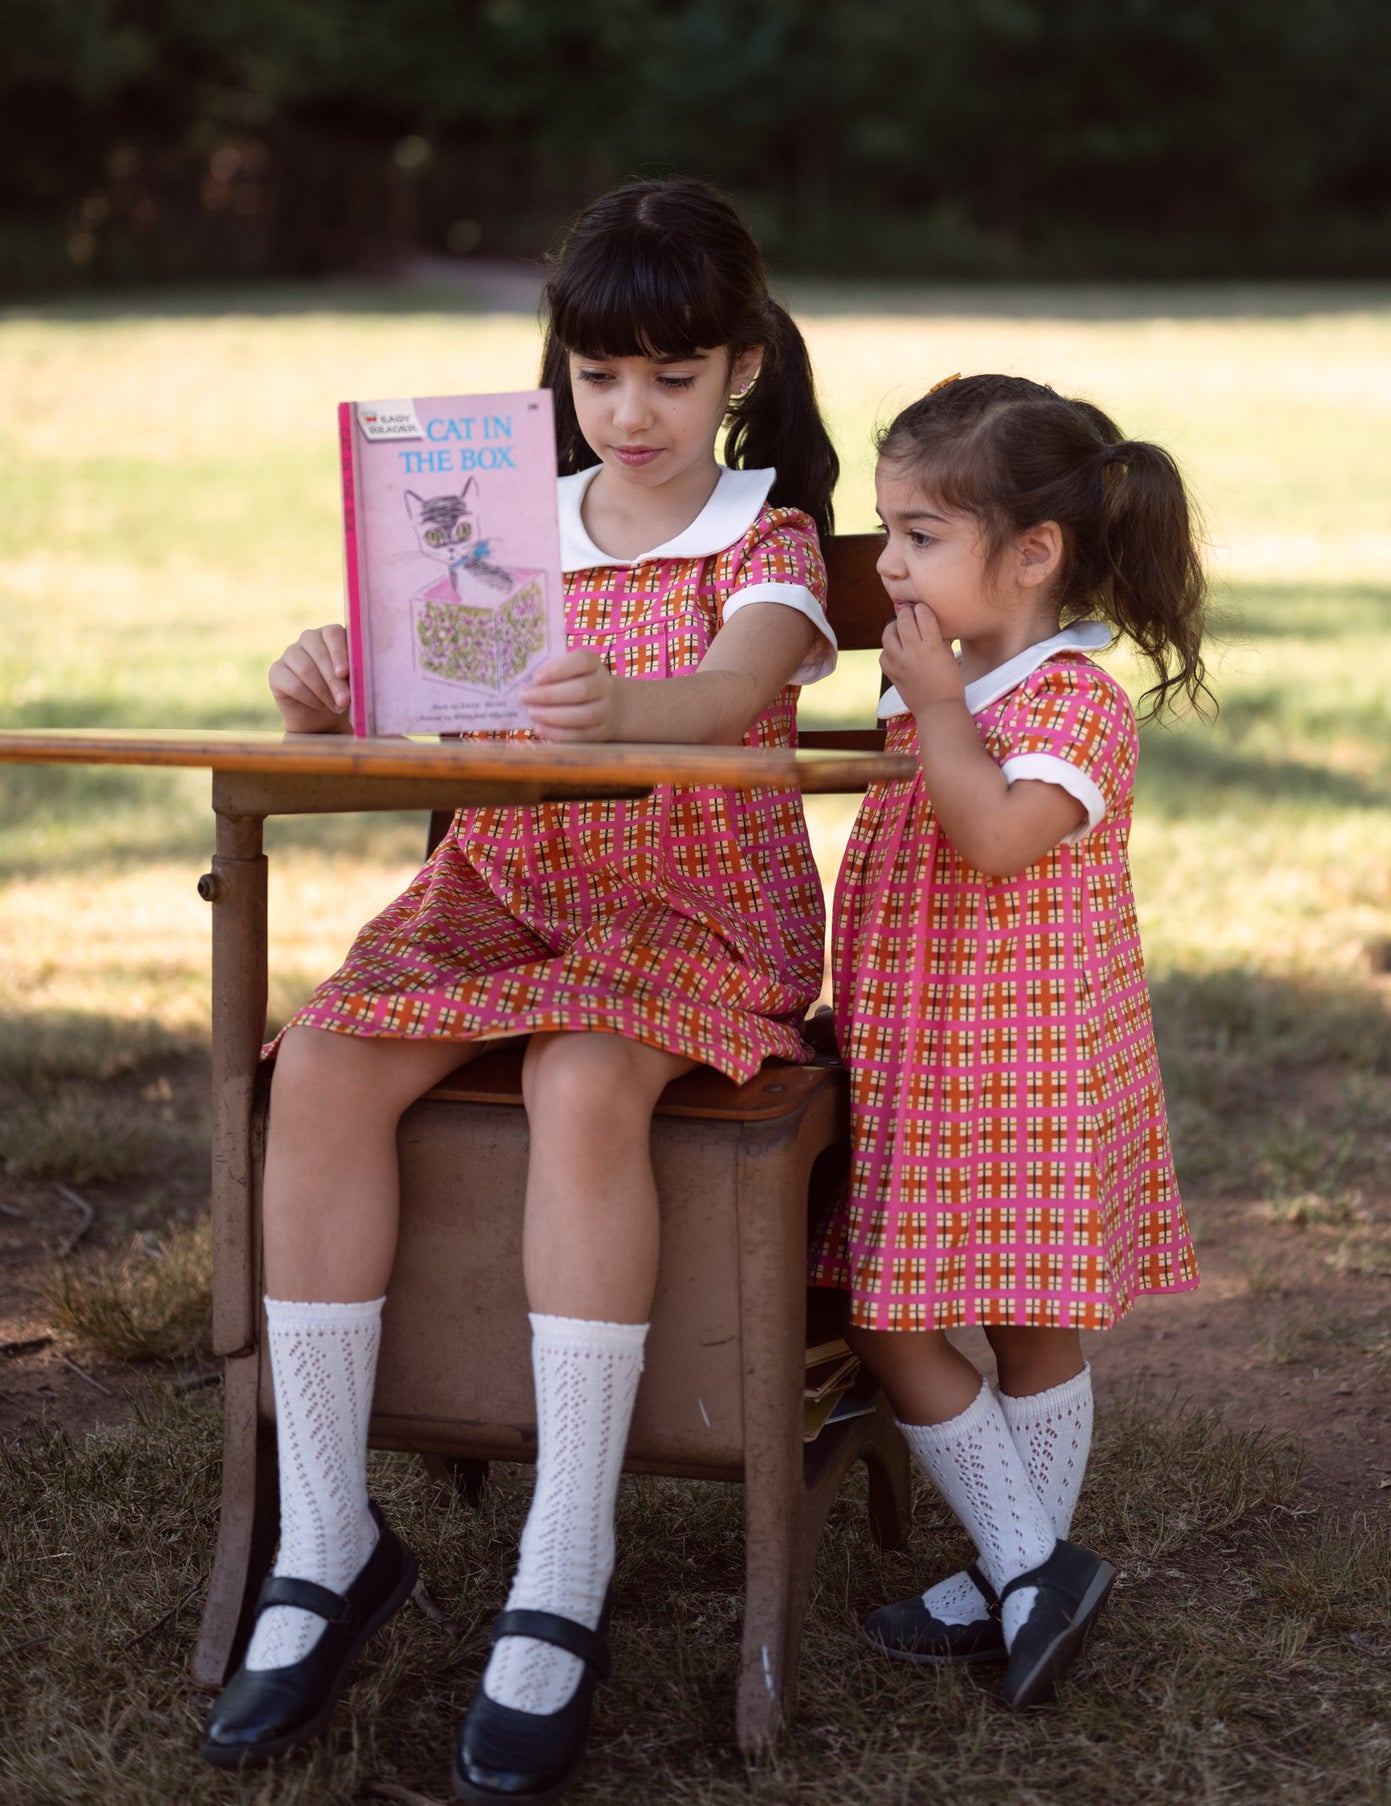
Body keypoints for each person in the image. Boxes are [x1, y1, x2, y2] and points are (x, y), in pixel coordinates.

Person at [201, 177, 841, 1801]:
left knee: (577, 1073)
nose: (630, 413)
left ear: (741, 371)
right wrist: (334, 684)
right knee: (329, 1051)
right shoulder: (496, 521)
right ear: (561, 371)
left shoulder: (762, 539)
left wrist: (619, 694)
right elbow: (422, 710)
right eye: (599, 375)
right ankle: (331, 1533)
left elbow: (724, 694)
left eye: (672, 378)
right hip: (505, 896)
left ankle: (566, 1552)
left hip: (692, 904)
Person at [810, 372, 1208, 1711]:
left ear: (1030, 554)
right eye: (886, 530)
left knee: (977, 1322)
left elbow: (989, 837)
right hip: (926, 1054)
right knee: (908, 1308)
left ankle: (1015, 1567)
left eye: (919, 535)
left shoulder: (1070, 701)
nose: (887, 562)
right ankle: (1027, 1565)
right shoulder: (957, 675)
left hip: (1028, 1069)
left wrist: (929, 708)